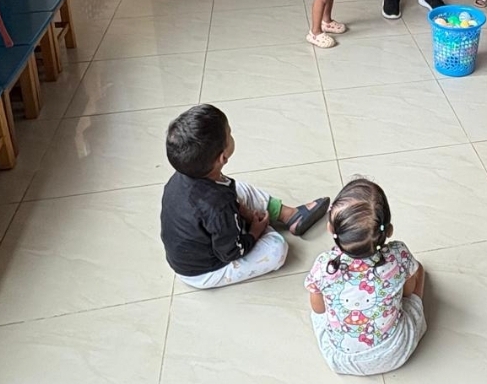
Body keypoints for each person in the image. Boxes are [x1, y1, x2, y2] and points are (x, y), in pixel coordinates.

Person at [159, 104, 329, 289]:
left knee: (239, 189)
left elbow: (221, 201)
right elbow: (231, 252)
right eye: (230, 133)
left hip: (210, 228)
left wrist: (244, 212)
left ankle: (289, 216)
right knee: (276, 250)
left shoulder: (184, 174)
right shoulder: (218, 207)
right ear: (223, 157)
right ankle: (260, 225)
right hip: (204, 271)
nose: (232, 135)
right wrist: (255, 231)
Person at [306, 178, 426, 376]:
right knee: (418, 269)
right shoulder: (399, 254)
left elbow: (318, 308)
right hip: (395, 351)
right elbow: (408, 290)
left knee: (319, 312)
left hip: (340, 360)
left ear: (330, 229)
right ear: (389, 230)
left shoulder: (324, 265)